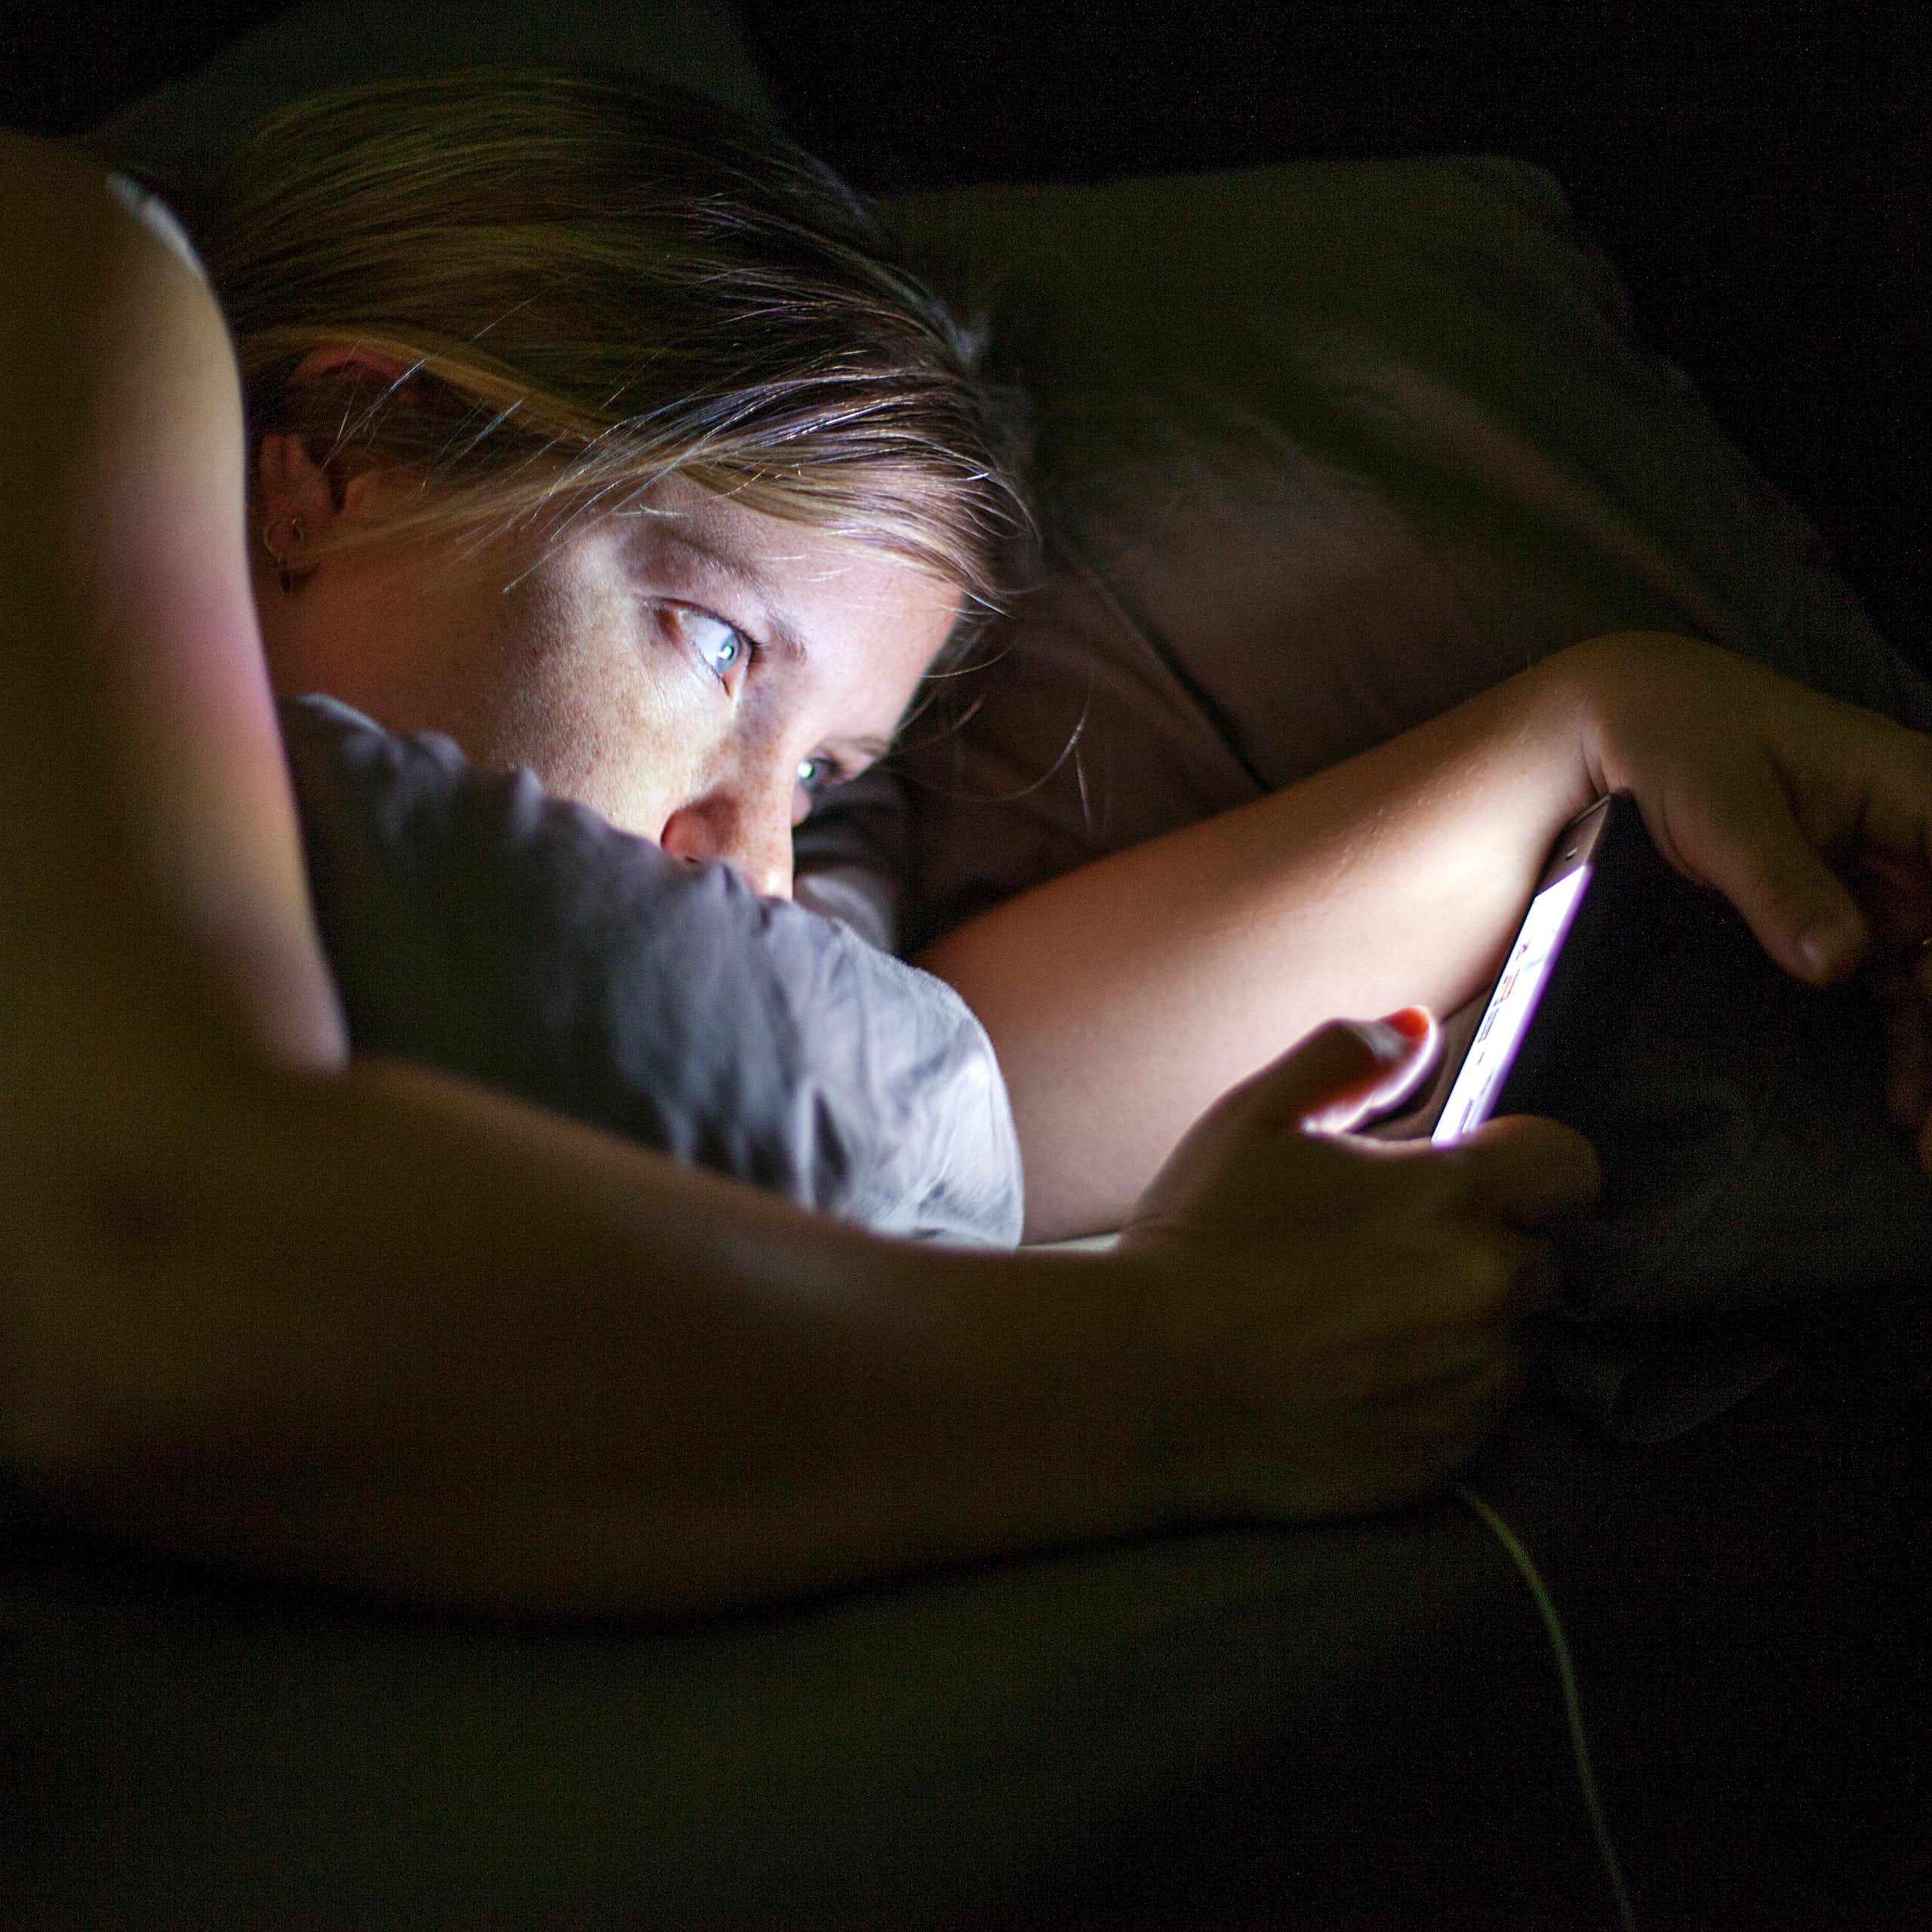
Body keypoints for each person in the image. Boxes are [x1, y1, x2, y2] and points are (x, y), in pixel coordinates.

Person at [3, 71, 1928, 1618]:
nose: (745, 861)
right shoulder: (60, 275)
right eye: (714, 639)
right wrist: (1175, 1371)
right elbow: (145, 1261)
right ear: (338, 458)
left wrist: (1584, 731)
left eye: (828, 784)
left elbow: (957, 1089)